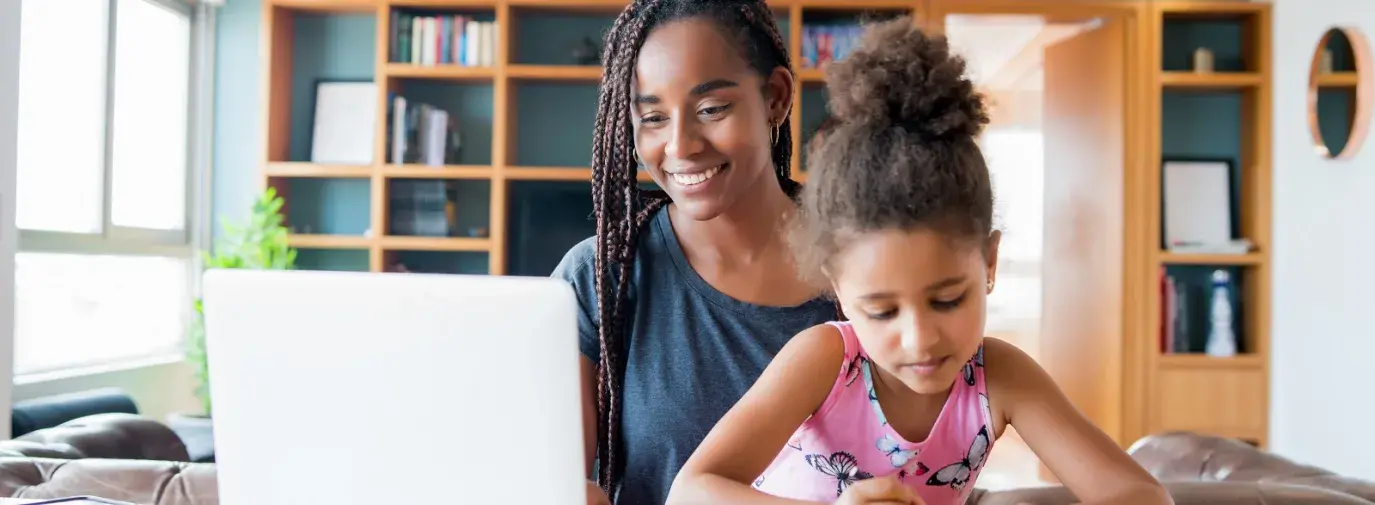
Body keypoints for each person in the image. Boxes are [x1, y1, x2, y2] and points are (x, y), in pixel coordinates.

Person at [664, 19, 1174, 505]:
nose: (920, 338)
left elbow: (1143, 495)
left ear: (989, 261)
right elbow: (691, 491)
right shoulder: (825, 360)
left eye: (948, 299)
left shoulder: (999, 377)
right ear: (838, 288)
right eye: (883, 312)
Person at [550, 1, 838, 504]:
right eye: (654, 117)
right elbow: (553, 486)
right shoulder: (599, 279)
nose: (680, 145)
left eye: (710, 109)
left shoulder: (861, 270)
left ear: (775, 97)